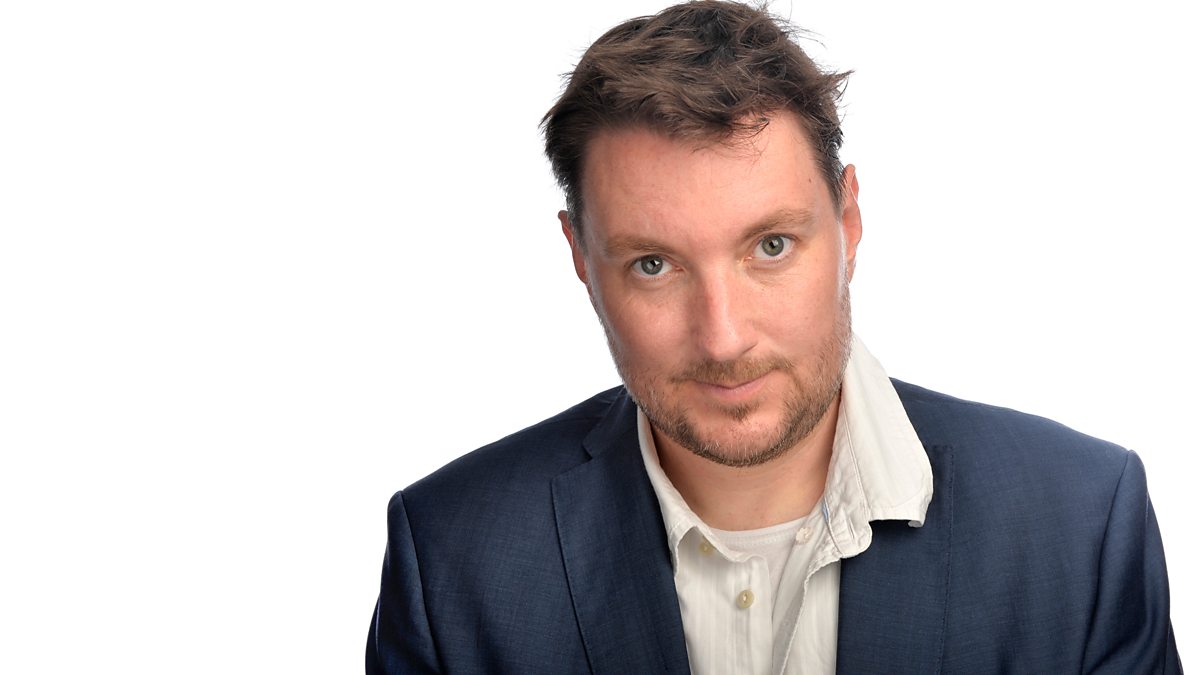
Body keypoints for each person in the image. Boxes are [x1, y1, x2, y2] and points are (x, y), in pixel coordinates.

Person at [366, 1, 1181, 672]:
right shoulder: (453, 560)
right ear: (581, 257)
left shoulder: (1079, 527)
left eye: (771, 246)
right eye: (654, 264)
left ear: (849, 219)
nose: (723, 338)